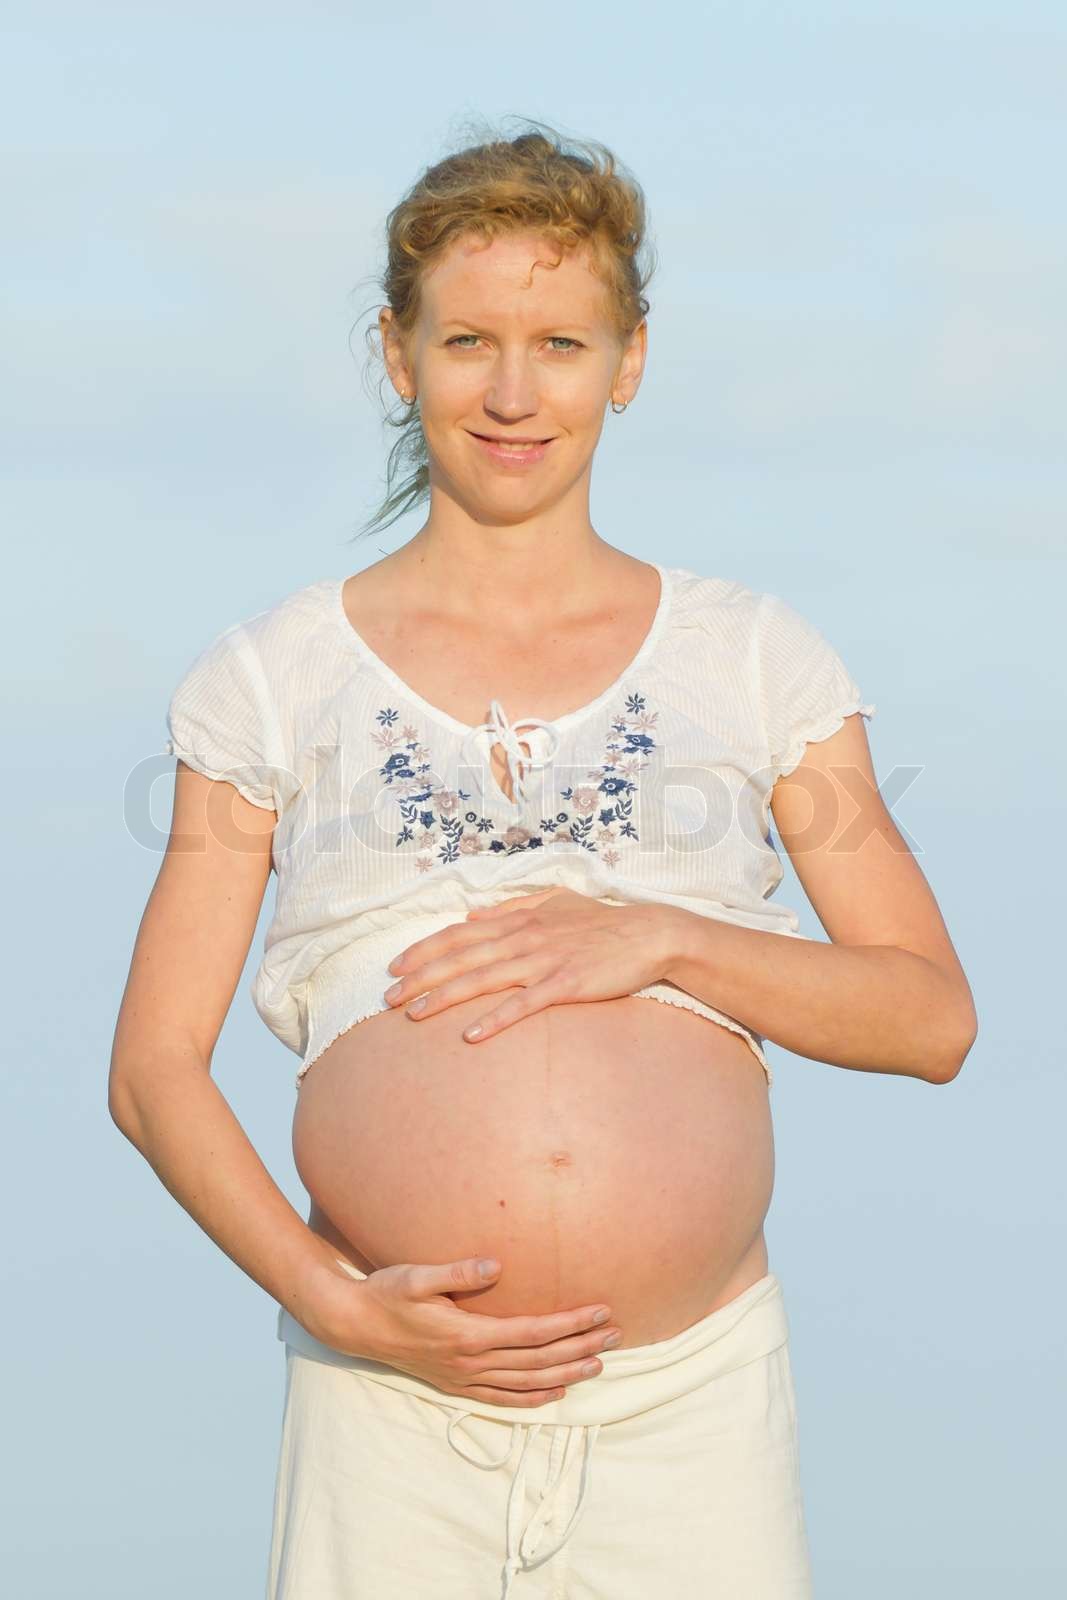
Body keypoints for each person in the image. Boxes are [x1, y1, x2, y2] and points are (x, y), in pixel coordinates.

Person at [110, 122, 978, 1599]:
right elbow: (152, 1070)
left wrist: (662, 939)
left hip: (688, 1408)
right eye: (467, 341)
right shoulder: (269, 677)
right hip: (391, 1406)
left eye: (562, 343)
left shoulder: (753, 656)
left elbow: (930, 1016)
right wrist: (337, 1302)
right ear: (396, 354)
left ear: (628, 363)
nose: (514, 392)